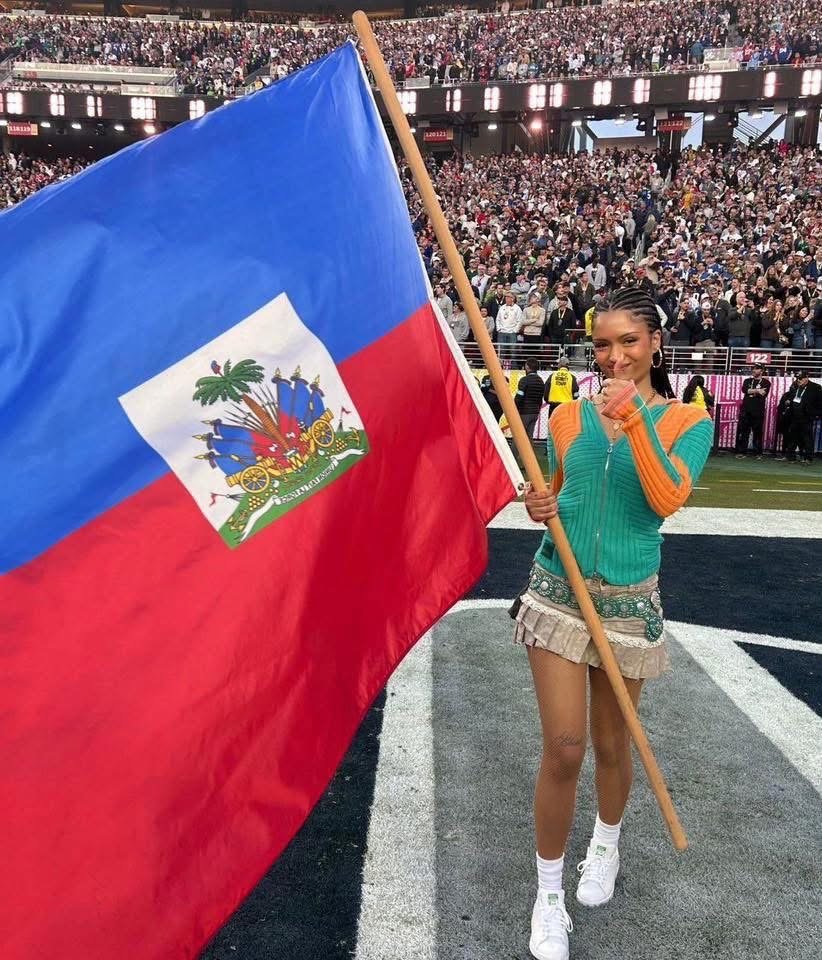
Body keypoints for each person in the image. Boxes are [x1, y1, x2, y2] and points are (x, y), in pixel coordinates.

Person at [512, 287, 712, 960]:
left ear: (655, 343)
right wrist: (541, 503)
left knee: (611, 744)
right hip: (557, 593)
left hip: (629, 604)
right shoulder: (567, 414)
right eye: (602, 344)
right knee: (565, 747)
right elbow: (563, 490)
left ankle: (606, 842)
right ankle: (547, 897)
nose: (614, 356)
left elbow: (666, 497)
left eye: (628, 341)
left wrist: (634, 421)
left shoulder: (688, 420)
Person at [783, 372, 820, 464]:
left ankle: (808, 458)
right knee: (792, 437)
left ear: (806, 378)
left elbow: (819, 402)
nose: (798, 380)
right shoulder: (795, 385)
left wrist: (816, 414)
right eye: (797, 378)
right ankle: (790, 456)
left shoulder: (815, 387)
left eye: (800, 378)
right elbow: (791, 396)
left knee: (807, 438)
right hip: (795, 415)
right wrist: (789, 401)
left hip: (806, 416)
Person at [735, 362, 771, 459]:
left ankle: (757, 453)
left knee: (757, 433)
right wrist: (757, 390)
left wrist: (752, 391)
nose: (754, 370)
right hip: (746, 410)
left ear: (762, 371)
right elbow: (745, 390)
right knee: (744, 431)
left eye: (757, 368)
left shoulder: (766, 382)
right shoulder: (747, 380)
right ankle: (742, 451)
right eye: (753, 368)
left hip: (758, 411)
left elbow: (763, 393)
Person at [516, 358, 546, 440]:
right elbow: (541, 398)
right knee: (529, 437)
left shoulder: (524, 380)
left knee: (519, 437)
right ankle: (530, 449)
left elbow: (519, 397)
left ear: (527, 366)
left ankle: (514, 449)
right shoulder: (540, 381)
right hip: (535, 412)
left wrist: (515, 408)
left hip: (524, 412)